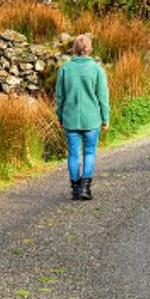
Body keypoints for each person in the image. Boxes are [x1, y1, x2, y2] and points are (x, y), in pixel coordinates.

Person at [52, 33, 111, 201]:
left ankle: (75, 188)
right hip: (92, 119)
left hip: (70, 118)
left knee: (73, 154)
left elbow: (60, 96)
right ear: (90, 50)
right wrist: (105, 118)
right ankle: (86, 187)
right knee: (90, 152)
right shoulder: (97, 69)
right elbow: (103, 97)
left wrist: (60, 116)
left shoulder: (65, 68)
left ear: (73, 49)